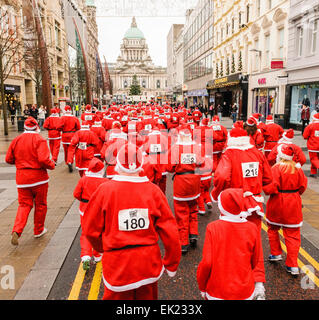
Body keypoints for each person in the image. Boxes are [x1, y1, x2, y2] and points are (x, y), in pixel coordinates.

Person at [82, 143, 181, 300]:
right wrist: (171, 262)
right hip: (148, 262)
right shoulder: (154, 191)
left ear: (118, 164)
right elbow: (170, 230)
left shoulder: (104, 190)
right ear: (141, 165)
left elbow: (89, 229)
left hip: (117, 263)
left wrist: (102, 248)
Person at [211, 126, 273, 300]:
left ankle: (235, 280)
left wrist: (218, 194)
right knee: (255, 245)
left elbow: (222, 177)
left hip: (234, 204)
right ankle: (259, 284)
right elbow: (268, 178)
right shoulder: (257, 153)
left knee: (231, 245)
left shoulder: (229, 154)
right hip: (254, 203)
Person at [197, 188, 263, 300]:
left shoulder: (213, 227)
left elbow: (207, 263)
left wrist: (202, 286)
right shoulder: (252, 227)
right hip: (244, 290)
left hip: (217, 290)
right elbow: (255, 259)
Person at [5, 117, 55, 245]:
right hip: (39, 178)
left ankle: (17, 230)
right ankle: (38, 230)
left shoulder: (17, 140)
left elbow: (8, 159)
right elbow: (43, 159)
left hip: (22, 179)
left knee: (24, 205)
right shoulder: (39, 139)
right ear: (36, 127)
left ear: (24, 127)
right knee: (41, 204)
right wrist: (52, 165)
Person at [263, 144, 307, 275]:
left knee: (272, 228)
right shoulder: (297, 169)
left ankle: (275, 253)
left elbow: (270, 188)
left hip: (277, 202)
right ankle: (293, 265)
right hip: (293, 203)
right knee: (293, 235)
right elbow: (303, 187)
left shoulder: (275, 169)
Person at [167, 125, 204, 254]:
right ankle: (193, 233)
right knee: (193, 209)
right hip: (194, 181)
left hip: (181, 183)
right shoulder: (196, 148)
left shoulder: (176, 148)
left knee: (181, 212)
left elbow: (169, 167)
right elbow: (201, 162)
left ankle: (183, 242)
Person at [73, 158, 107, 271]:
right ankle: (97, 255)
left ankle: (86, 256)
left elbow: (76, 194)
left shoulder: (84, 179)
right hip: (98, 211)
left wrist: (83, 201)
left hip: (84, 210)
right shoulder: (104, 182)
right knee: (98, 232)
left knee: (85, 233)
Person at [57, 105, 81, 172]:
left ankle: (67, 162)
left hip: (64, 135)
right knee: (72, 149)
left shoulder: (62, 118)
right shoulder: (75, 118)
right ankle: (70, 161)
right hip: (72, 135)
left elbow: (58, 127)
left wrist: (62, 129)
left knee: (66, 150)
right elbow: (78, 127)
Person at [303, 113, 319, 178]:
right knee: (316, 159)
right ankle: (313, 172)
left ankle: (314, 171)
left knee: (313, 159)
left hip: (313, 146)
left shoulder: (310, 126)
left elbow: (305, 136)